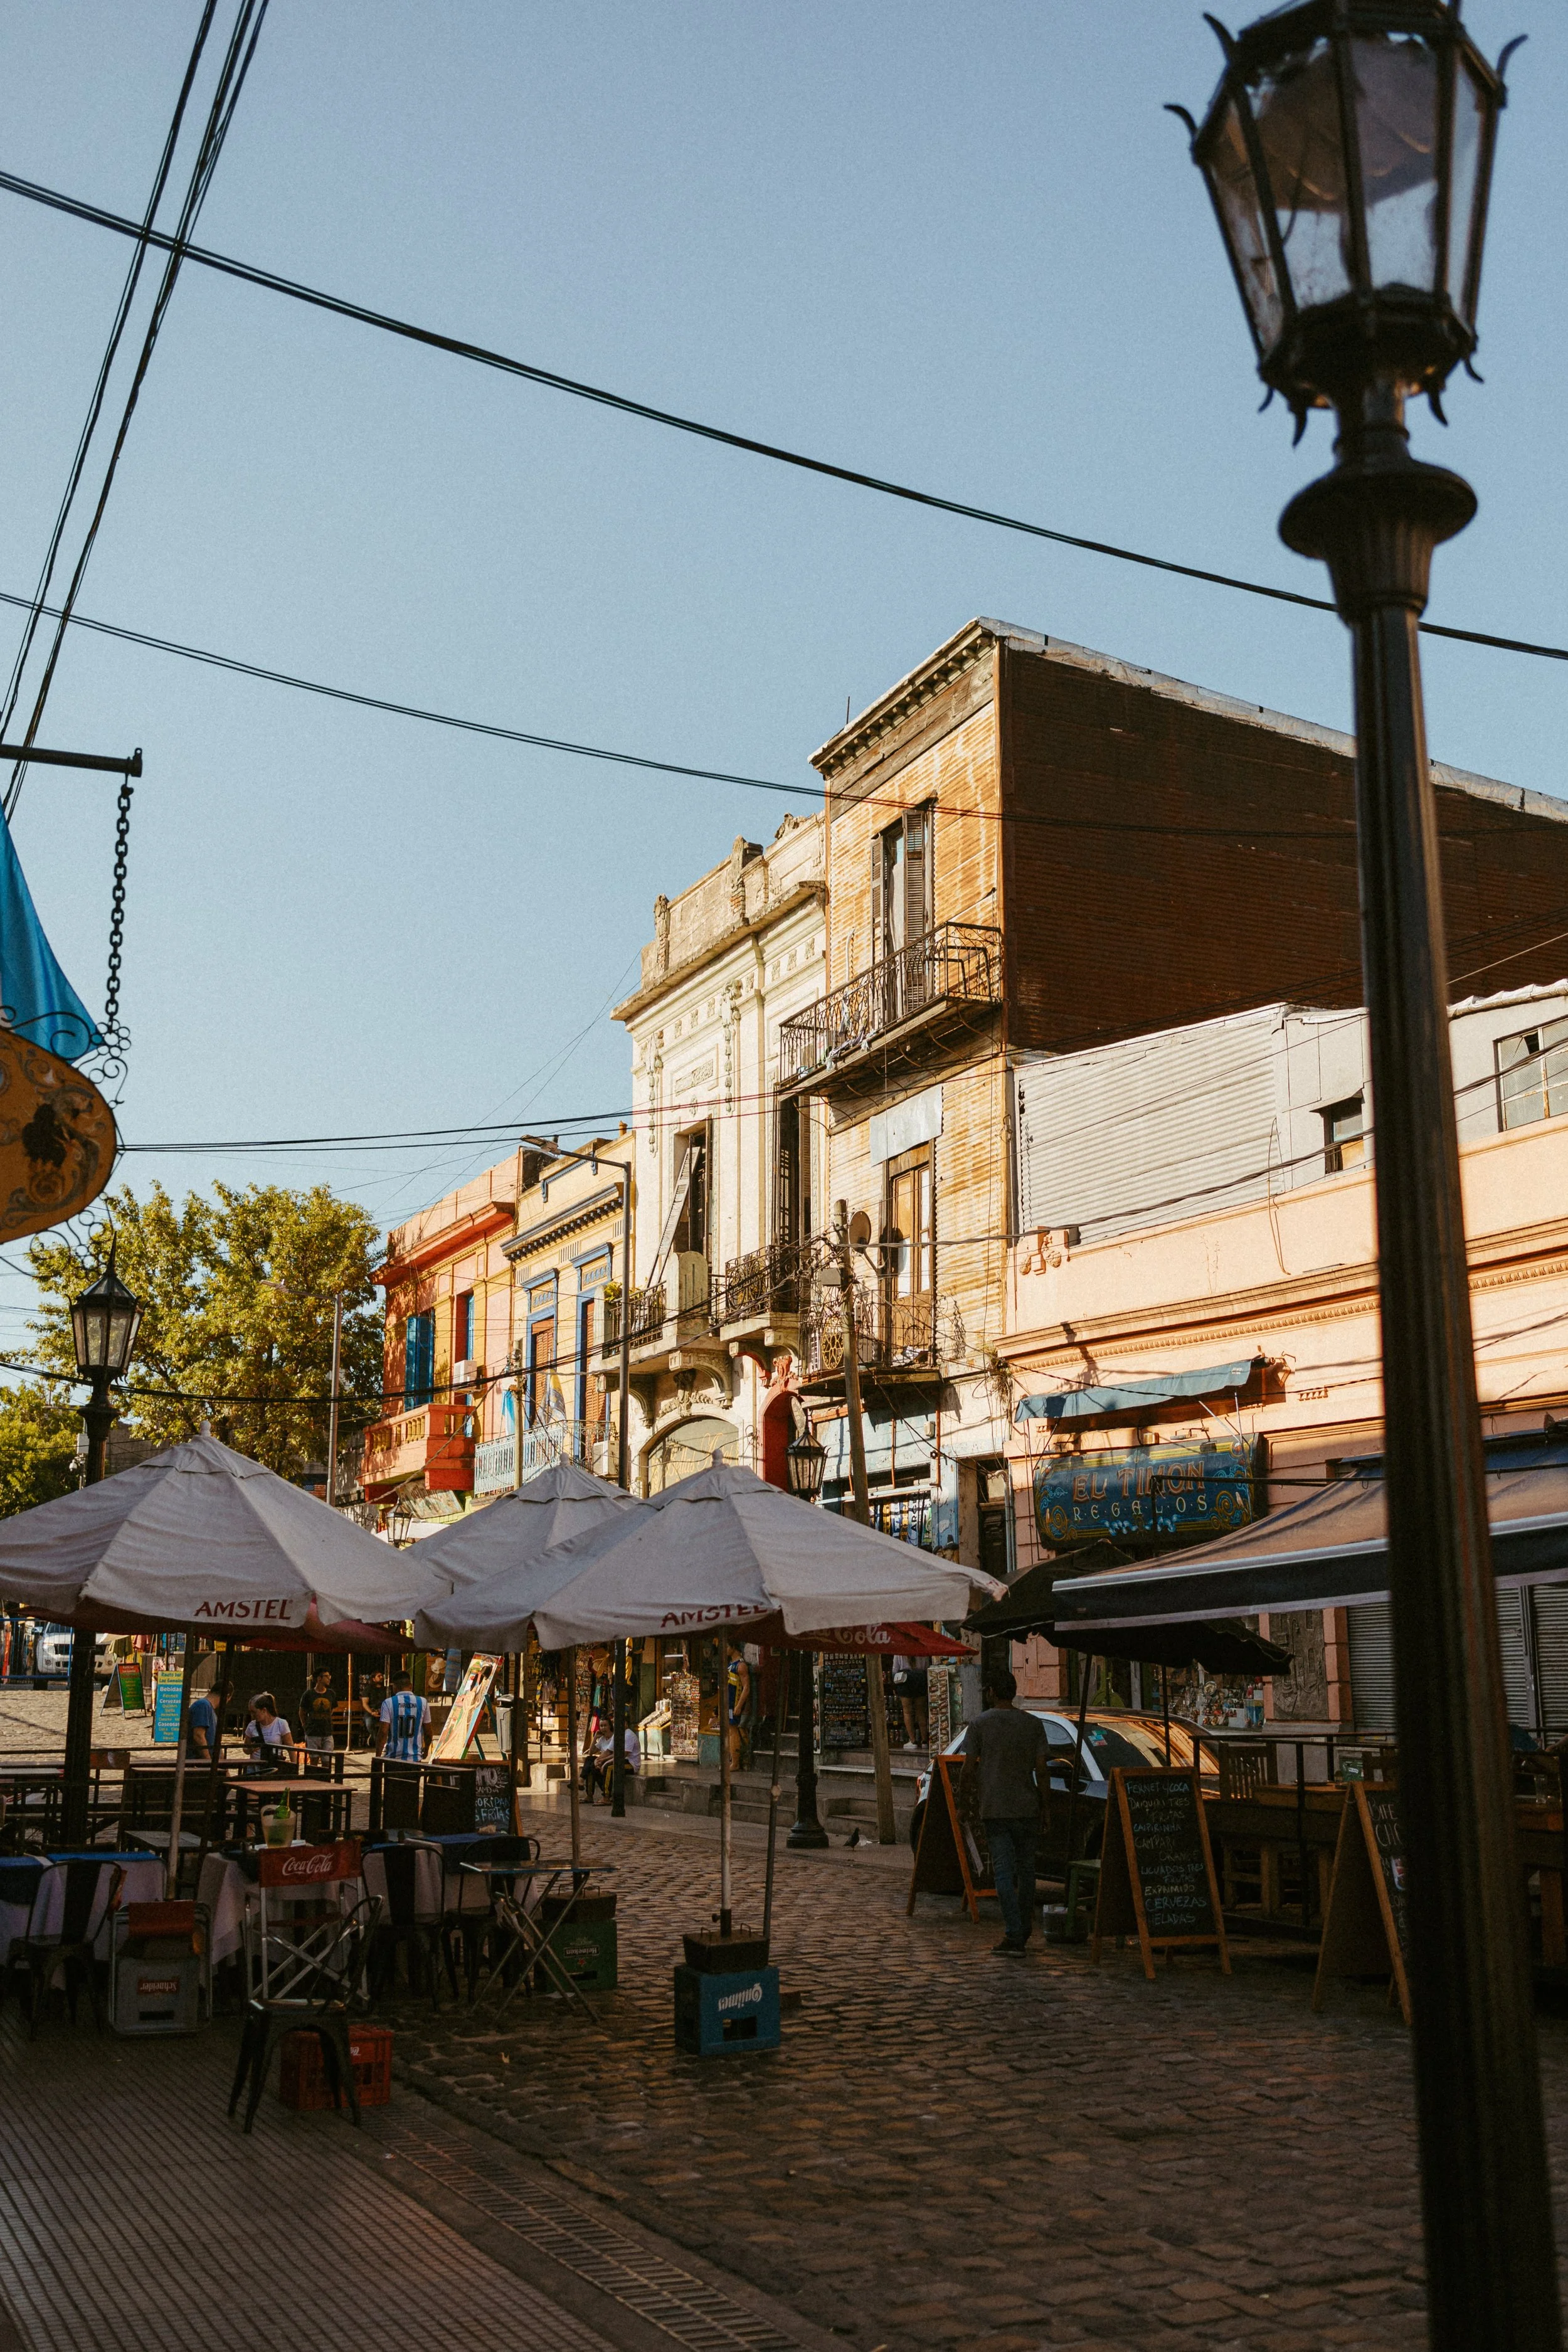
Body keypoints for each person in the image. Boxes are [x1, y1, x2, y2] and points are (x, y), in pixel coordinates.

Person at [959, 1667, 1050, 1956]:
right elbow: (1042, 1770)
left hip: (996, 1808)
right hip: (1027, 1807)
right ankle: (1023, 1928)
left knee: (1003, 1872)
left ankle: (1013, 1934)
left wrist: (964, 1802)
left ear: (992, 1692)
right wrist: (1045, 1806)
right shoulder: (1033, 1724)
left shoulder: (980, 1725)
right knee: (1027, 1871)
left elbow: (968, 1767)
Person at [377, 1666, 432, 1763]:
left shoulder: (388, 1703)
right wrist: (426, 1749)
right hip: (415, 1759)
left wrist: (378, 1757)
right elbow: (428, 1732)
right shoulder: (423, 1703)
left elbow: (383, 1733)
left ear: (394, 1687)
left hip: (393, 1759)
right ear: (411, 1686)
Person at [583, 1719, 640, 1803]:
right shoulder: (617, 1735)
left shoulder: (629, 1735)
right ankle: (590, 1795)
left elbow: (623, 1755)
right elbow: (608, 1751)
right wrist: (598, 1760)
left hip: (631, 1764)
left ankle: (606, 1797)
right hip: (620, 1760)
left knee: (608, 1768)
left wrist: (605, 1761)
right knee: (593, 1765)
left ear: (626, 1724)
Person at [242, 1692, 294, 1776]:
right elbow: (245, 1748)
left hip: (273, 1767)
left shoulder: (281, 1724)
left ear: (264, 1711)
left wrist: (294, 1769)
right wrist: (250, 1750)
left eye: (254, 1712)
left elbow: (291, 1749)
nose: (252, 1715)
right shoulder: (252, 1726)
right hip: (255, 1769)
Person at [297, 1670, 337, 1771]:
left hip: (327, 1732)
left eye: (329, 1676)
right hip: (313, 1732)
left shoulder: (331, 1693)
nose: (329, 1679)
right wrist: (305, 1726)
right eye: (327, 1676)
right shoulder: (309, 1694)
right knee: (313, 1760)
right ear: (319, 1678)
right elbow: (302, 1712)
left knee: (327, 1760)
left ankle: (325, 1780)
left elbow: (332, 1709)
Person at [893, 1655, 930, 1751]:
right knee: (921, 1712)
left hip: (905, 1680)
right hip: (920, 1679)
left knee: (907, 1712)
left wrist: (895, 1686)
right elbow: (927, 1667)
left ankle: (913, 1741)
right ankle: (925, 1741)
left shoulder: (899, 1651)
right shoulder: (921, 1650)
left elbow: (895, 1669)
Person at [188, 1686, 218, 1762]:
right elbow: (198, 1735)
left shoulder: (210, 1708)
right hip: (197, 1763)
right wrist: (208, 1761)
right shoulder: (203, 1705)